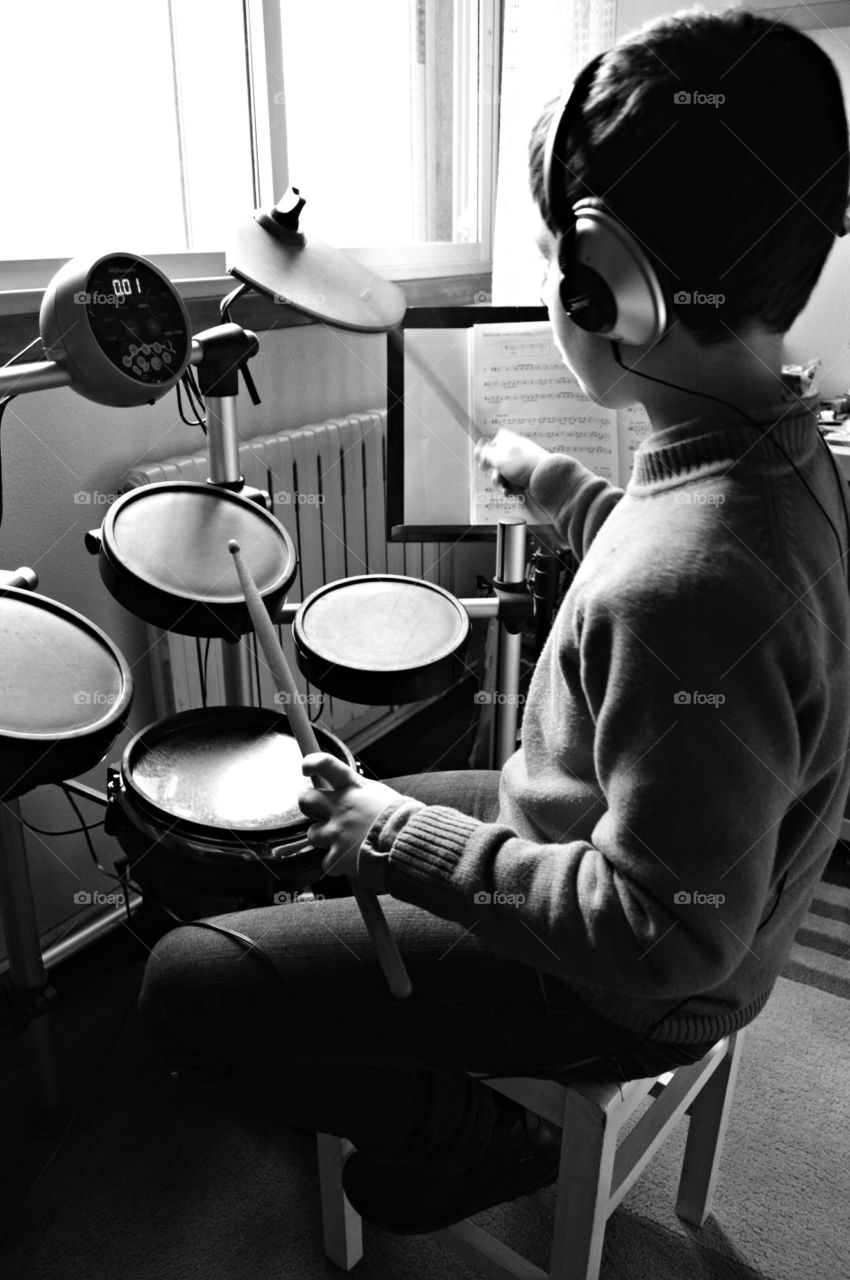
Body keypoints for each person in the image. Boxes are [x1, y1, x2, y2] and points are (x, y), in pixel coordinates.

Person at [139, 8, 850, 1236]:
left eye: (548, 257)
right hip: (617, 840)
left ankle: (482, 1137)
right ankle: (383, 994)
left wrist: (401, 835)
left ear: (604, 288)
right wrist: (566, 492)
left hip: (628, 984)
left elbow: (655, 933)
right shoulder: (781, 451)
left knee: (186, 981)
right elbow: (680, 561)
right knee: (339, 813)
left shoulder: (687, 585)